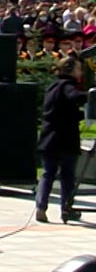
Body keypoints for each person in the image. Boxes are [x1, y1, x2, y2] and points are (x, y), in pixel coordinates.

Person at [35, 55, 86, 224]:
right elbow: (75, 98)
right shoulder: (67, 86)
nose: (81, 72)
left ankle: (41, 206)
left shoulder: (53, 86)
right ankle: (66, 208)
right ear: (70, 70)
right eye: (78, 69)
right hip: (65, 139)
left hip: (49, 138)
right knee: (67, 176)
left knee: (48, 174)